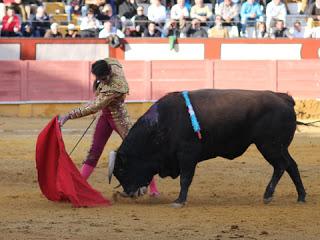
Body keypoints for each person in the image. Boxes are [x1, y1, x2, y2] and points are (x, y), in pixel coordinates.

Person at [58, 59, 160, 196]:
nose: (101, 81)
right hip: (105, 117)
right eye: (98, 78)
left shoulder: (115, 87)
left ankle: (153, 189)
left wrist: (68, 116)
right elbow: (110, 61)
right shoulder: (112, 65)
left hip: (119, 118)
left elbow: (94, 106)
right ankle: (78, 185)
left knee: (138, 150)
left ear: (109, 73)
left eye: (103, 78)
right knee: (94, 151)